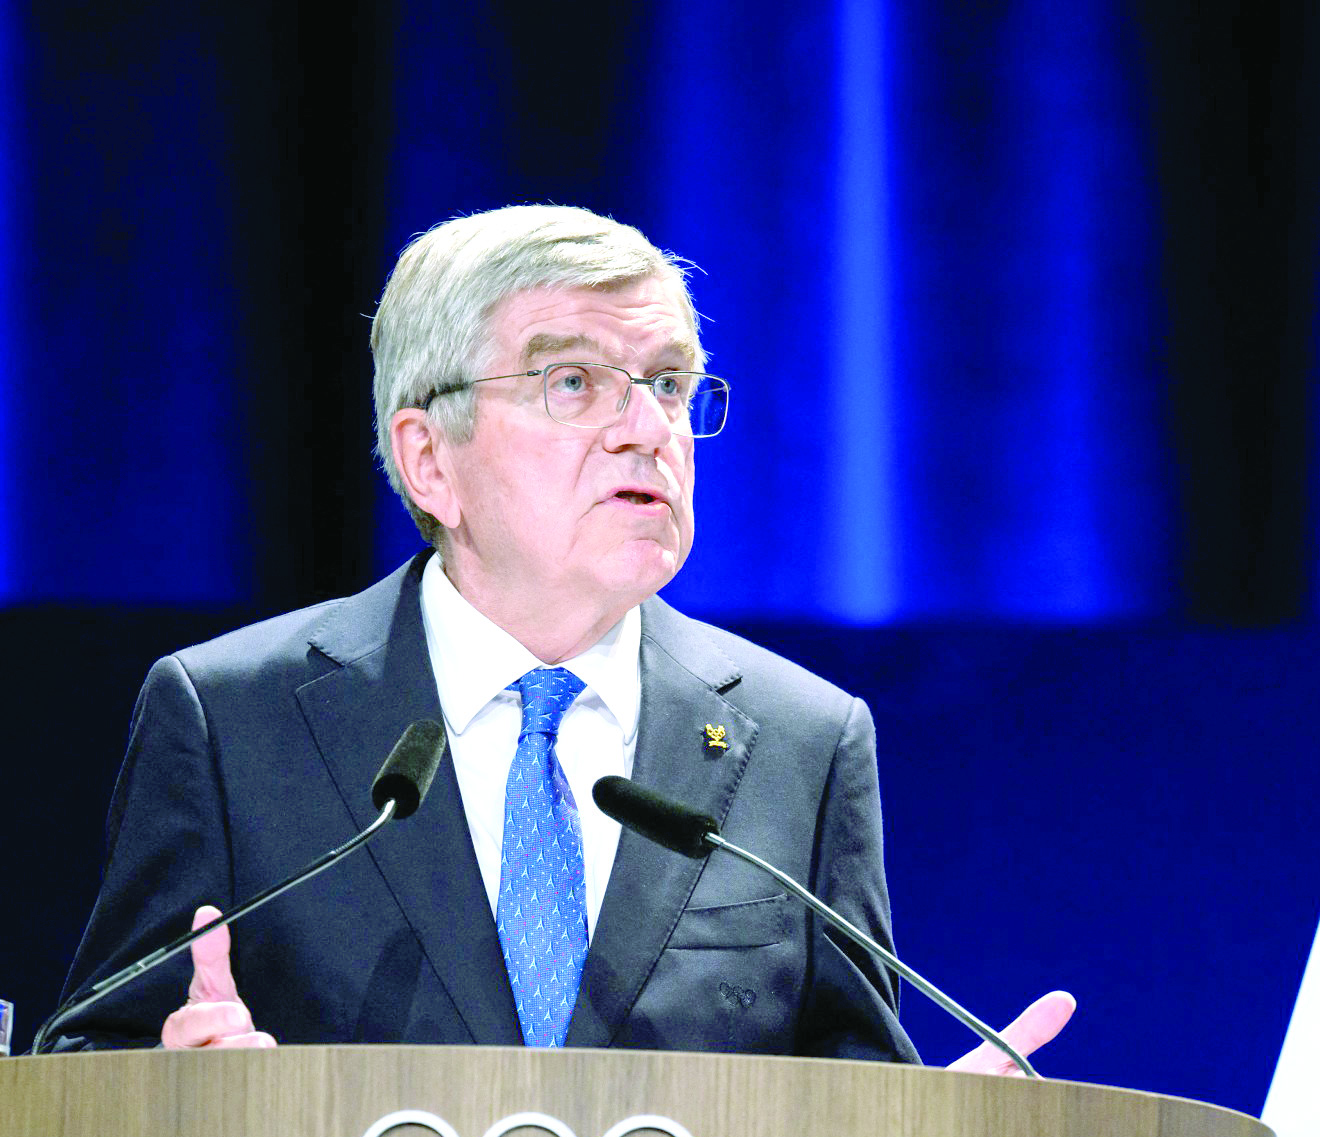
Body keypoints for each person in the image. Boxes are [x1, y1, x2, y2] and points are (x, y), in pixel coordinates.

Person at [56, 205, 1071, 1071]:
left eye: (669, 384)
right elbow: (81, 1080)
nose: (646, 428)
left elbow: (851, 1094)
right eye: (573, 384)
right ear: (428, 461)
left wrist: (935, 1134)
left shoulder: (802, 740)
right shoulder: (233, 718)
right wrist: (176, 1094)